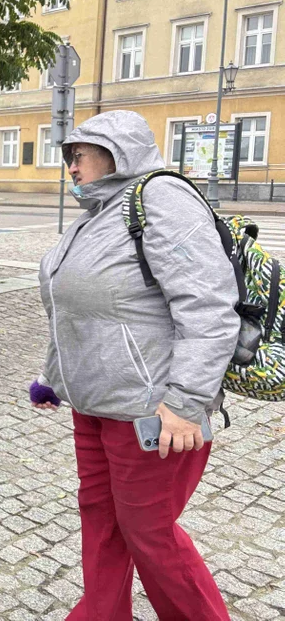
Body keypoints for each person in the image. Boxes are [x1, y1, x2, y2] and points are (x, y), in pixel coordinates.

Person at [32, 110, 237, 620]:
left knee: (149, 532)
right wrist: (54, 378)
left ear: (114, 150)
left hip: (153, 412)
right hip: (97, 404)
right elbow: (71, 309)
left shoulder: (161, 199)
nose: (71, 169)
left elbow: (208, 307)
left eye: (78, 156)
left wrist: (187, 404)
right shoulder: (96, 215)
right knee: (100, 517)